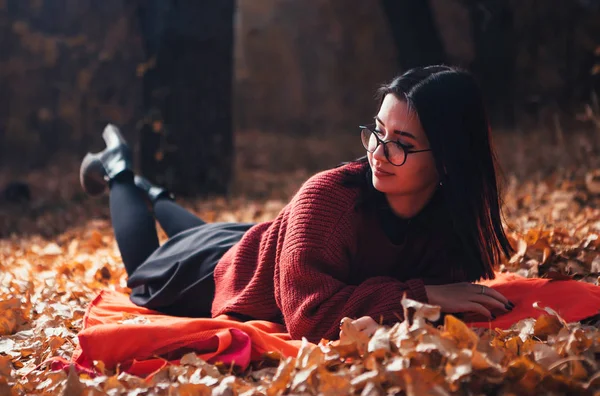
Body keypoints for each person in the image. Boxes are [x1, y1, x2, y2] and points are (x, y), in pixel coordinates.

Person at [80, 65, 515, 344]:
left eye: (401, 144)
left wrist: (427, 297)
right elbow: (311, 317)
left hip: (261, 248)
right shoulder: (328, 198)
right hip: (209, 279)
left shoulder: (450, 218)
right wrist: (422, 296)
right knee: (146, 263)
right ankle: (120, 170)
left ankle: (153, 193)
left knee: (208, 236)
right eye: (377, 132)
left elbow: (453, 287)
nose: (378, 153)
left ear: (448, 161)